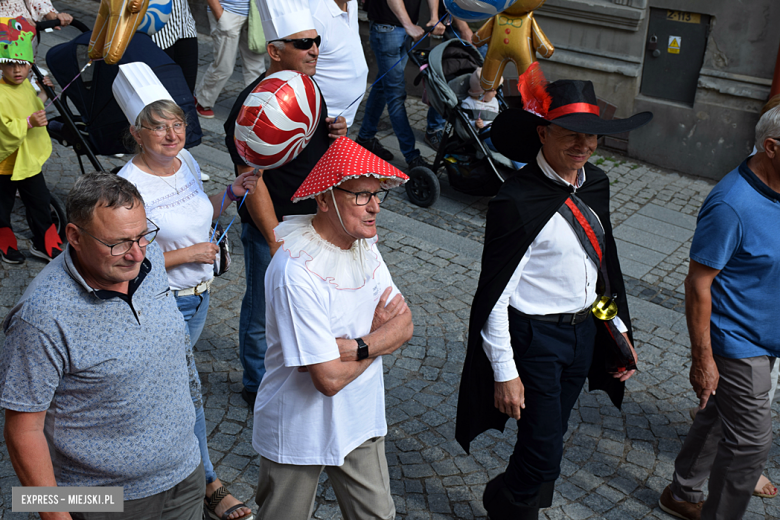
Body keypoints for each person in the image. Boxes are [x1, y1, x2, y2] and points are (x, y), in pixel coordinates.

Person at [455, 66, 651, 520]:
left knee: (548, 436)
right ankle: (506, 507)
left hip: (582, 335)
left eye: (592, 136)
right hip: (535, 340)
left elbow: (597, 274)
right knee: (545, 454)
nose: (583, 146)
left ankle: (506, 498)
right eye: (571, 134)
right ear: (543, 133)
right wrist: (504, 371)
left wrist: (617, 331)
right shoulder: (516, 201)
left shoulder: (596, 184)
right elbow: (495, 296)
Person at [0, 172, 204, 519]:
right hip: (100, 501)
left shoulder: (146, 258)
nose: (137, 254)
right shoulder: (41, 317)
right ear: (75, 237)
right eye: (119, 242)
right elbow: (22, 428)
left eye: (142, 235)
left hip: (184, 477)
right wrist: (54, 514)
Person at [112, 63, 257, 520]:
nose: (172, 134)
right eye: (159, 127)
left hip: (199, 296)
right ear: (137, 133)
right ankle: (208, 484)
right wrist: (186, 253)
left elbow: (200, 210)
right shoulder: (126, 185)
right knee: (183, 393)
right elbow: (122, 258)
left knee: (164, 390)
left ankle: (161, 475)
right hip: (162, 303)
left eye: (177, 123)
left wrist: (228, 194)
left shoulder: (188, 161)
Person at [252, 136, 413, 519]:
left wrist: (349, 347)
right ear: (324, 200)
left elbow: (403, 324)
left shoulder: (365, 245)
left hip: (360, 420)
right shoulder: (295, 271)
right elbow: (326, 380)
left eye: (377, 195)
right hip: (297, 428)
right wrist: (375, 342)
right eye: (361, 196)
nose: (374, 207)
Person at [657, 105, 780, 520]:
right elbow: (697, 284)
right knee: (750, 443)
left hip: (768, 331)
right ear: (771, 148)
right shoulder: (732, 205)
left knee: (716, 412)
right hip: (739, 339)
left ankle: (683, 492)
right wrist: (703, 359)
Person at [223, 0, 347, 408]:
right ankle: (256, 383)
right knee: (264, 309)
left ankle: (303, 367)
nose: (314, 49)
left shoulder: (309, 89)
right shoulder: (251, 108)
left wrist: (335, 133)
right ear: (275, 51)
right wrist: (274, 236)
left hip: (315, 221)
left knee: (314, 301)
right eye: (303, 44)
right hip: (273, 225)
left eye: (316, 41)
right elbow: (252, 180)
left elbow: (315, 153)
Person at [0, 20, 62, 264]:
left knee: (39, 200)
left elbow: (33, 107)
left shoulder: (26, 85)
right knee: (2, 206)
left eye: (22, 65)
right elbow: (5, 127)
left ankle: (44, 242)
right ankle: (6, 243)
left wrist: (44, 93)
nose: (17, 70)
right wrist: (27, 123)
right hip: (5, 163)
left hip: (26, 162)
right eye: (11, 65)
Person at [355, 0, 441, 169]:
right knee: (396, 94)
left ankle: (365, 137)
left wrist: (434, 17)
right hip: (387, 28)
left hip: (405, 28)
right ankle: (412, 157)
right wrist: (408, 24)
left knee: (383, 86)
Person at [194, 0, 266, 118]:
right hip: (227, 12)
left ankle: (254, 106)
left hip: (255, 13)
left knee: (256, 66)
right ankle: (202, 100)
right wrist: (220, 15)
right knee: (224, 66)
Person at [308, 0, 368, 129]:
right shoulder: (316, 15)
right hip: (321, 121)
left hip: (342, 120)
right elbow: (298, 70)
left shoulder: (351, 3)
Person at [460, 68, 523, 170]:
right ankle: (521, 166)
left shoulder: (493, 101)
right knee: (508, 145)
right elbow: (464, 122)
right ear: (482, 92)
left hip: (498, 128)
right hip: (485, 133)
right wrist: (475, 124)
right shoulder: (469, 103)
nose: (496, 93)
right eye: (494, 90)